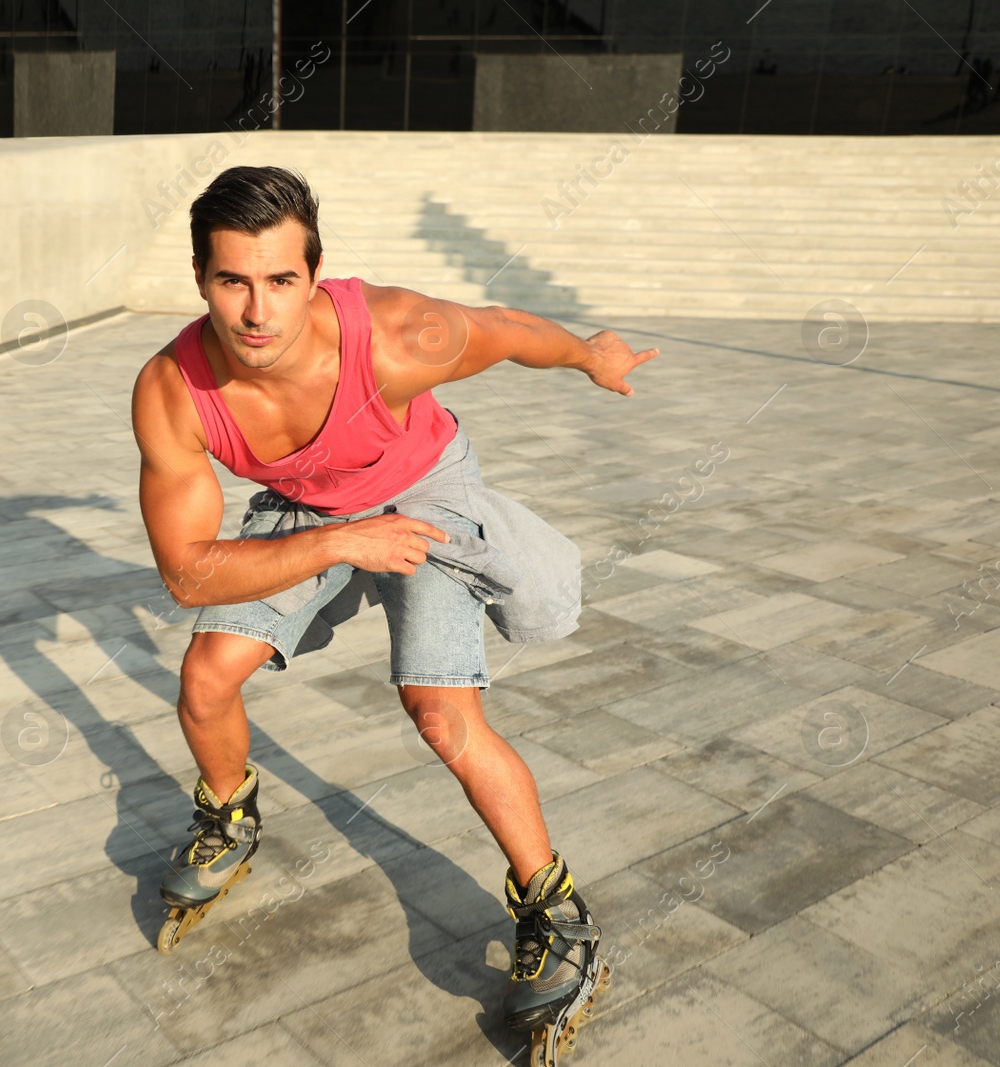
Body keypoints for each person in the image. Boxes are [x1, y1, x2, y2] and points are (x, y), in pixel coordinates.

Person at [128, 165, 656, 1055]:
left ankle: (557, 912)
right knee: (205, 678)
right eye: (233, 282)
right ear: (200, 279)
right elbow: (187, 575)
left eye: (281, 281)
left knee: (440, 712)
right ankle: (229, 812)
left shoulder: (399, 338)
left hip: (425, 491)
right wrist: (339, 542)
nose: (258, 312)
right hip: (309, 511)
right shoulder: (172, 390)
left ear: (317, 272)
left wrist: (590, 355)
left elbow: (509, 330)